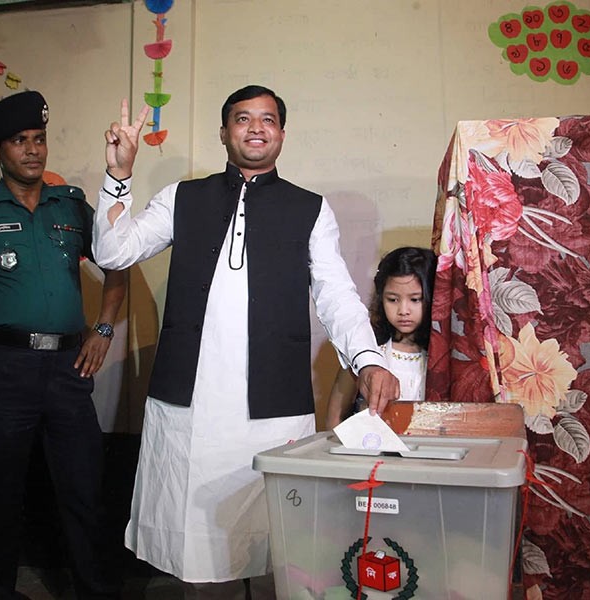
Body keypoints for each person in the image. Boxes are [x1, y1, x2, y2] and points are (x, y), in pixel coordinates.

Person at [93, 85, 400, 599]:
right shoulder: (182, 198)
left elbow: (337, 294)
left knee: (276, 550)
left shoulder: (309, 209)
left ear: (282, 133)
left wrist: (367, 358)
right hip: (190, 407)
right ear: (224, 132)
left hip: (272, 408)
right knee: (199, 556)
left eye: (268, 119)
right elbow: (114, 251)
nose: (256, 127)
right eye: (242, 118)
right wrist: (120, 174)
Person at [0, 90, 125, 600]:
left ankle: (94, 590)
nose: (34, 150)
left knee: (84, 490)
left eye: (39, 139)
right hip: (2, 370)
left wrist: (103, 328)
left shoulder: (71, 206)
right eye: (20, 141)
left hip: (67, 369)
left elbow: (119, 263)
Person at [325, 246, 437, 429]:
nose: (403, 311)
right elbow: (334, 418)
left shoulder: (443, 357)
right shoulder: (366, 353)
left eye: (415, 299)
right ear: (380, 298)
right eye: (393, 299)